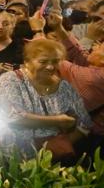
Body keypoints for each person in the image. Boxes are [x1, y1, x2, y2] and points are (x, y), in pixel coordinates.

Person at [0, 38, 92, 163]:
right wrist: (57, 121)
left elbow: (85, 123)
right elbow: (13, 117)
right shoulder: (11, 80)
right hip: (14, 157)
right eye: (43, 61)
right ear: (27, 62)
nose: (50, 67)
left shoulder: (64, 86)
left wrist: (62, 143)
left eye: (55, 61)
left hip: (54, 159)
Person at [30, 11, 104, 153]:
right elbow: (79, 53)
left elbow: (50, 61)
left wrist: (38, 30)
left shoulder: (97, 78)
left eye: (101, 46)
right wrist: (58, 27)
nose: (96, 45)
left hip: (87, 142)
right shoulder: (97, 68)